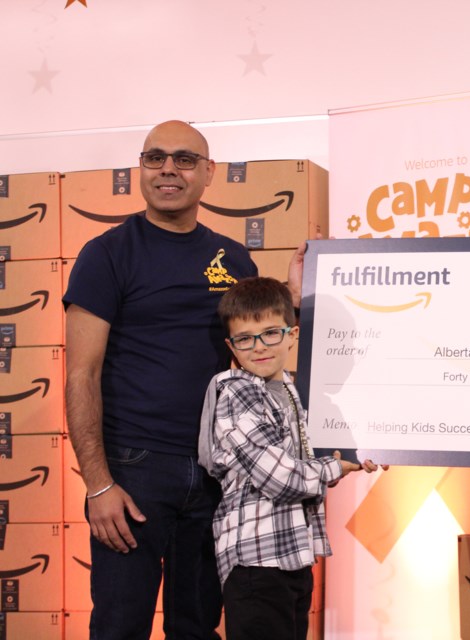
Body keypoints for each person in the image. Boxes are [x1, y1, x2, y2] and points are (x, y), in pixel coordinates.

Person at [63, 120, 306, 639]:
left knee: (197, 625)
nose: (168, 169)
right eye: (155, 158)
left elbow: (259, 339)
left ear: (208, 173)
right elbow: (80, 374)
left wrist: (292, 295)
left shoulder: (233, 257)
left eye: (184, 159)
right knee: (119, 625)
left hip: (218, 470)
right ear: (141, 169)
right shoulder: (107, 254)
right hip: (134, 471)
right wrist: (98, 483)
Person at [196, 276, 379, 640]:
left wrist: (369, 454)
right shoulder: (237, 392)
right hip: (256, 561)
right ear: (231, 345)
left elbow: (317, 449)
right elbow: (278, 477)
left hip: (292, 557)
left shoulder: (293, 391)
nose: (259, 347)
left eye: (271, 334)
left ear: (292, 334)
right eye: (245, 339)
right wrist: (333, 467)